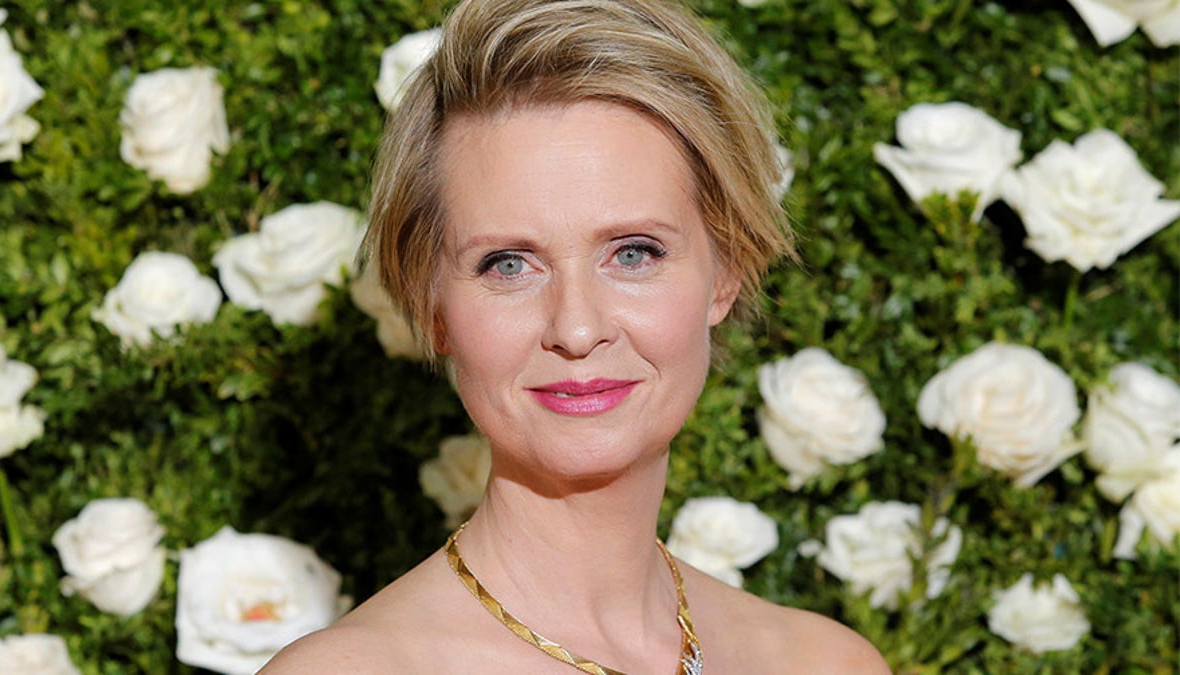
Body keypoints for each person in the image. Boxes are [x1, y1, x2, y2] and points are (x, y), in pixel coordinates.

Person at [263, 0, 890, 672]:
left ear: (726, 271)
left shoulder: (825, 661)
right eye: (508, 263)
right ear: (433, 305)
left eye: (634, 252)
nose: (578, 327)